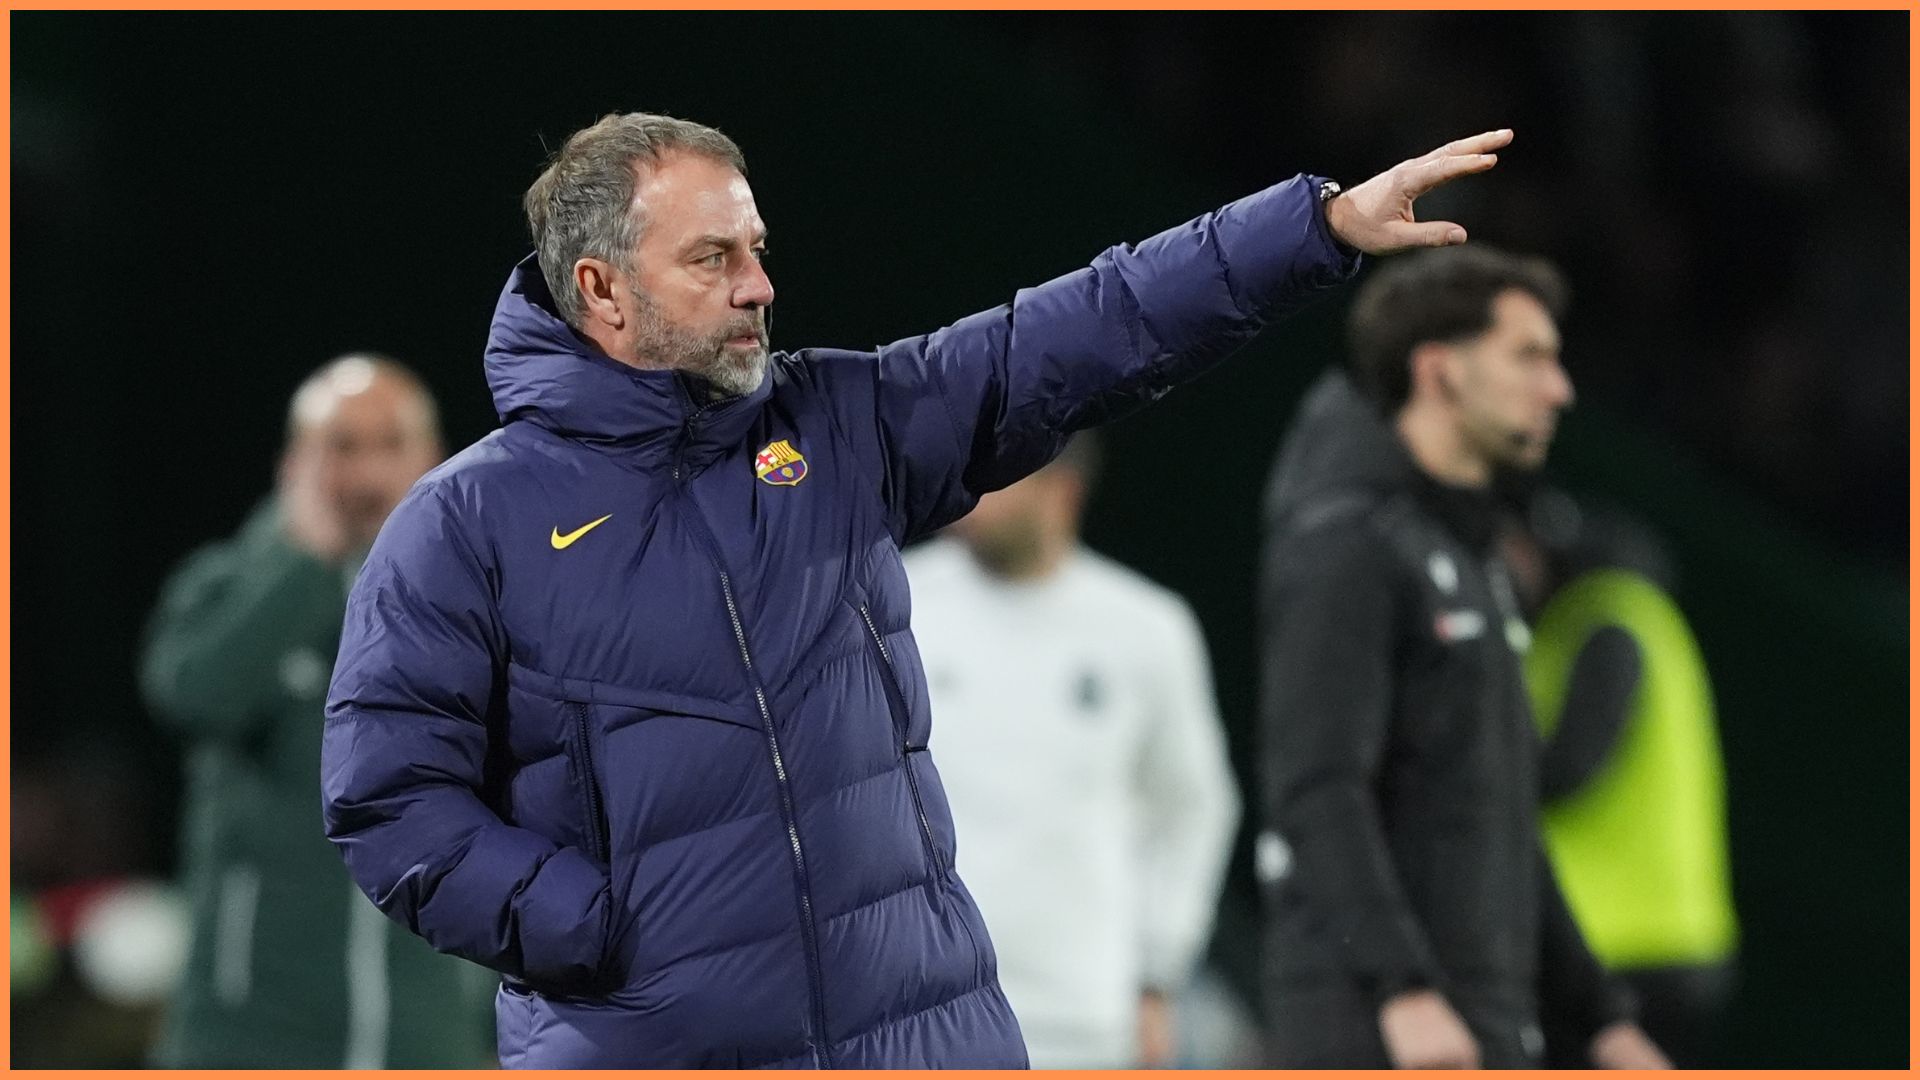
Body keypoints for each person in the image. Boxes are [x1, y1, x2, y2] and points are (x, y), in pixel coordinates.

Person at [319, 110, 1512, 1068]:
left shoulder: (834, 428)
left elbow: (1078, 331)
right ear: (601, 289)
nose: (758, 286)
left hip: (927, 1039)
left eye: (758, 248)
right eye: (714, 258)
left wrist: (1317, 230)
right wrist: (594, 930)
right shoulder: (464, 522)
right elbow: (385, 799)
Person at [1255, 247, 1671, 1069]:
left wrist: (1602, 1019)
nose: (1560, 389)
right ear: (1439, 370)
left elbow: (1505, 814)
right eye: (1530, 357)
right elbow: (1315, 789)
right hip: (1378, 1032)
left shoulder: (1473, 559)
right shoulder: (1346, 545)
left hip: (1481, 1023)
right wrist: (1403, 990)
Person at [140, 355, 495, 1067]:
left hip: (429, 1038)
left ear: (433, 460)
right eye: (341, 446)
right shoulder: (227, 587)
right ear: (294, 463)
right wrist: (304, 561)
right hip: (252, 1037)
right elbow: (190, 695)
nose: (365, 475)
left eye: (389, 445)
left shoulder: (487, 604)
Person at [903, 433, 1240, 1068]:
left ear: (1063, 491)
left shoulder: (1147, 628)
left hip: (1083, 1024)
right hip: (921, 1016)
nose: (968, 494)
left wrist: (1159, 973)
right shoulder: (896, 606)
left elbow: (1194, 808)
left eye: (993, 477)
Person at [1504, 491, 1739, 1067]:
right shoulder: (1628, 619)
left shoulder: (1607, 621)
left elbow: (1571, 767)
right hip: (1662, 940)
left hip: (1624, 946)